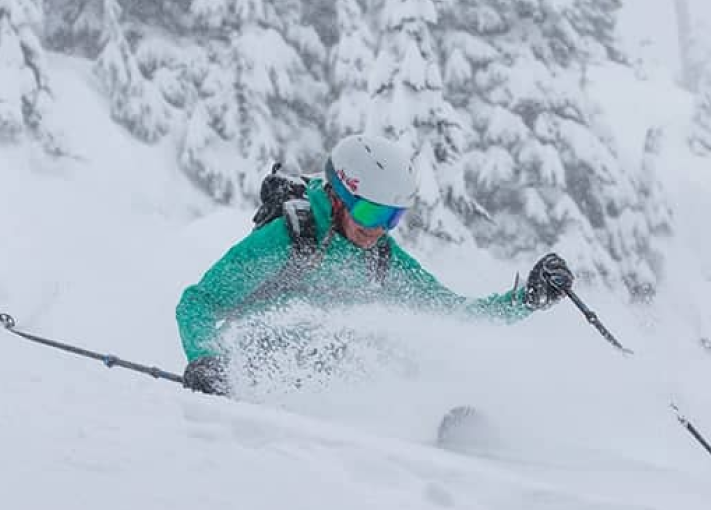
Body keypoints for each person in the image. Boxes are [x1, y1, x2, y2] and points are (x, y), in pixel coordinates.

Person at [176, 134, 574, 395]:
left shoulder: (381, 256)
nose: (379, 230)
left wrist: (526, 299)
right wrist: (209, 362)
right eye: (370, 213)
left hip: (330, 392)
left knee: (403, 349)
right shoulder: (286, 240)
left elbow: (451, 314)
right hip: (257, 384)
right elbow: (198, 303)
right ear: (337, 197)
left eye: (393, 218)